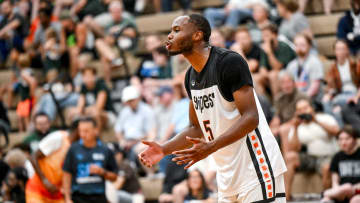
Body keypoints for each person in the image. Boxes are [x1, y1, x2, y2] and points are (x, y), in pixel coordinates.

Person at [139, 14, 287, 203]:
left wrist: (210, 147)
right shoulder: (190, 76)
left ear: (197, 35)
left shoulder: (229, 62)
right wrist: (163, 148)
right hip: (226, 176)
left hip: (257, 168)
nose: (169, 36)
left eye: (176, 30)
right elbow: (196, 127)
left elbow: (251, 117)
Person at [284, 99, 340, 200]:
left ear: (311, 108)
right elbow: (293, 149)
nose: (303, 112)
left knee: (327, 167)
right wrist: (295, 128)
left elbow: (337, 132)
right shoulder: (297, 125)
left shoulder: (325, 117)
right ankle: (286, 198)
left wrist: (316, 120)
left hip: (328, 156)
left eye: (305, 108)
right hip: (310, 157)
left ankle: (327, 199)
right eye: (299, 110)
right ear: (296, 113)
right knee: (290, 157)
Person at [62, 117, 118, 203]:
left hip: (99, 197)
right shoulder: (73, 149)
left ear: (96, 130)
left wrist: (102, 172)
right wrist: (67, 198)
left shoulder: (105, 150)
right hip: (78, 196)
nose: (82, 134)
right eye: (80, 131)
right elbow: (66, 174)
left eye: (86, 131)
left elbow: (114, 177)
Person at [25, 119, 80, 203]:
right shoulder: (59, 137)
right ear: (77, 130)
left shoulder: (79, 147)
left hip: (57, 192)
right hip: (38, 189)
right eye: (84, 130)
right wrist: (44, 181)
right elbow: (33, 157)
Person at [321, 126, 360, 203]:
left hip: (357, 191)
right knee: (326, 200)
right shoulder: (337, 157)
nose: (343, 142)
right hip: (342, 192)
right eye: (340, 139)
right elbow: (335, 181)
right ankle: (327, 195)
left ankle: (325, 193)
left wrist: (353, 188)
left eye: (347, 139)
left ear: (355, 139)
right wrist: (339, 190)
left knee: (355, 199)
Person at [286, 34, 324, 101]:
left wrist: (302, 100)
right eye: (296, 45)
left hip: (313, 99)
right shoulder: (291, 65)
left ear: (309, 46)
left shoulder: (314, 62)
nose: (299, 47)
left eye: (302, 45)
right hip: (296, 99)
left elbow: (315, 87)